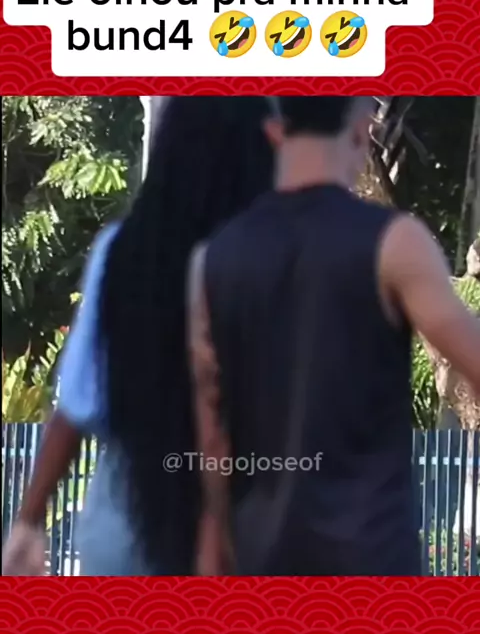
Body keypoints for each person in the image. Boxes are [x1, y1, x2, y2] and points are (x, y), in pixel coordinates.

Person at [190, 96, 480, 576]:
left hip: (260, 559)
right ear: (362, 127)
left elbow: (209, 432)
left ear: (274, 132)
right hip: (372, 558)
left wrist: (212, 548)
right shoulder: (394, 243)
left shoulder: (214, 259)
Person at [2, 96, 274, 576]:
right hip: (251, 531)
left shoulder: (123, 252)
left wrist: (29, 520)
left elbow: (79, 402)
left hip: (126, 530)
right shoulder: (275, 260)